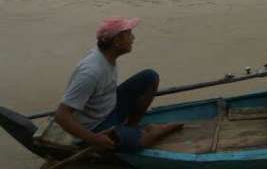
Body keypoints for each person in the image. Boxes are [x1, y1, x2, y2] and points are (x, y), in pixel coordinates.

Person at [54, 18, 183, 152]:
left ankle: (131, 127)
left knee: (150, 77)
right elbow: (61, 115)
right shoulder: (90, 73)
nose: (133, 38)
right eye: (129, 34)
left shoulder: (107, 57)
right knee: (144, 140)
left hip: (110, 108)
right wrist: (94, 139)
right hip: (97, 127)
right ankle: (155, 131)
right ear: (117, 41)